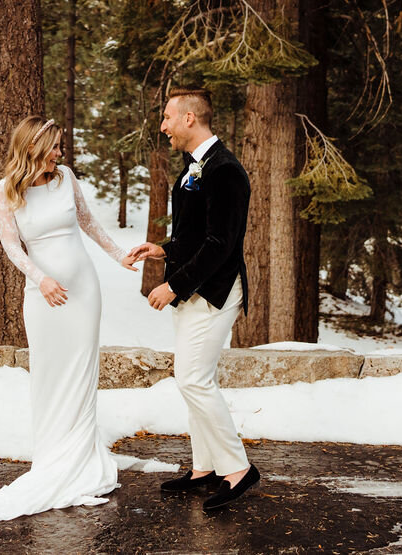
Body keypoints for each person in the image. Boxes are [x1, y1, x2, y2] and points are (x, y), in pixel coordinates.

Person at [0, 116, 137, 524]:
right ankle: (54, 459)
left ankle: (83, 459)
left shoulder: (66, 178)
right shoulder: (4, 190)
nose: (61, 153)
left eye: (60, 146)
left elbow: (88, 222)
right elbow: (11, 245)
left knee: (81, 372)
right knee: (49, 375)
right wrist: (40, 280)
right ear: (33, 147)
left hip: (85, 292)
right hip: (43, 297)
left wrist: (118, 255)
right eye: (54, 146)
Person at [129, 87, 260, 512]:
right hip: (193, 291)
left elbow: (220, 245)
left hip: (215, 291)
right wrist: (162, 250)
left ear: (189, 118)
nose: (163, 125)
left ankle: (238, 468)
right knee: (194, 379)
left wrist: (174, 286)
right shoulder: (192, 167)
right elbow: (194, 235)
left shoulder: (225, 171)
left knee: (193, 380)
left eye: (167, 117)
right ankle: (204, 466)